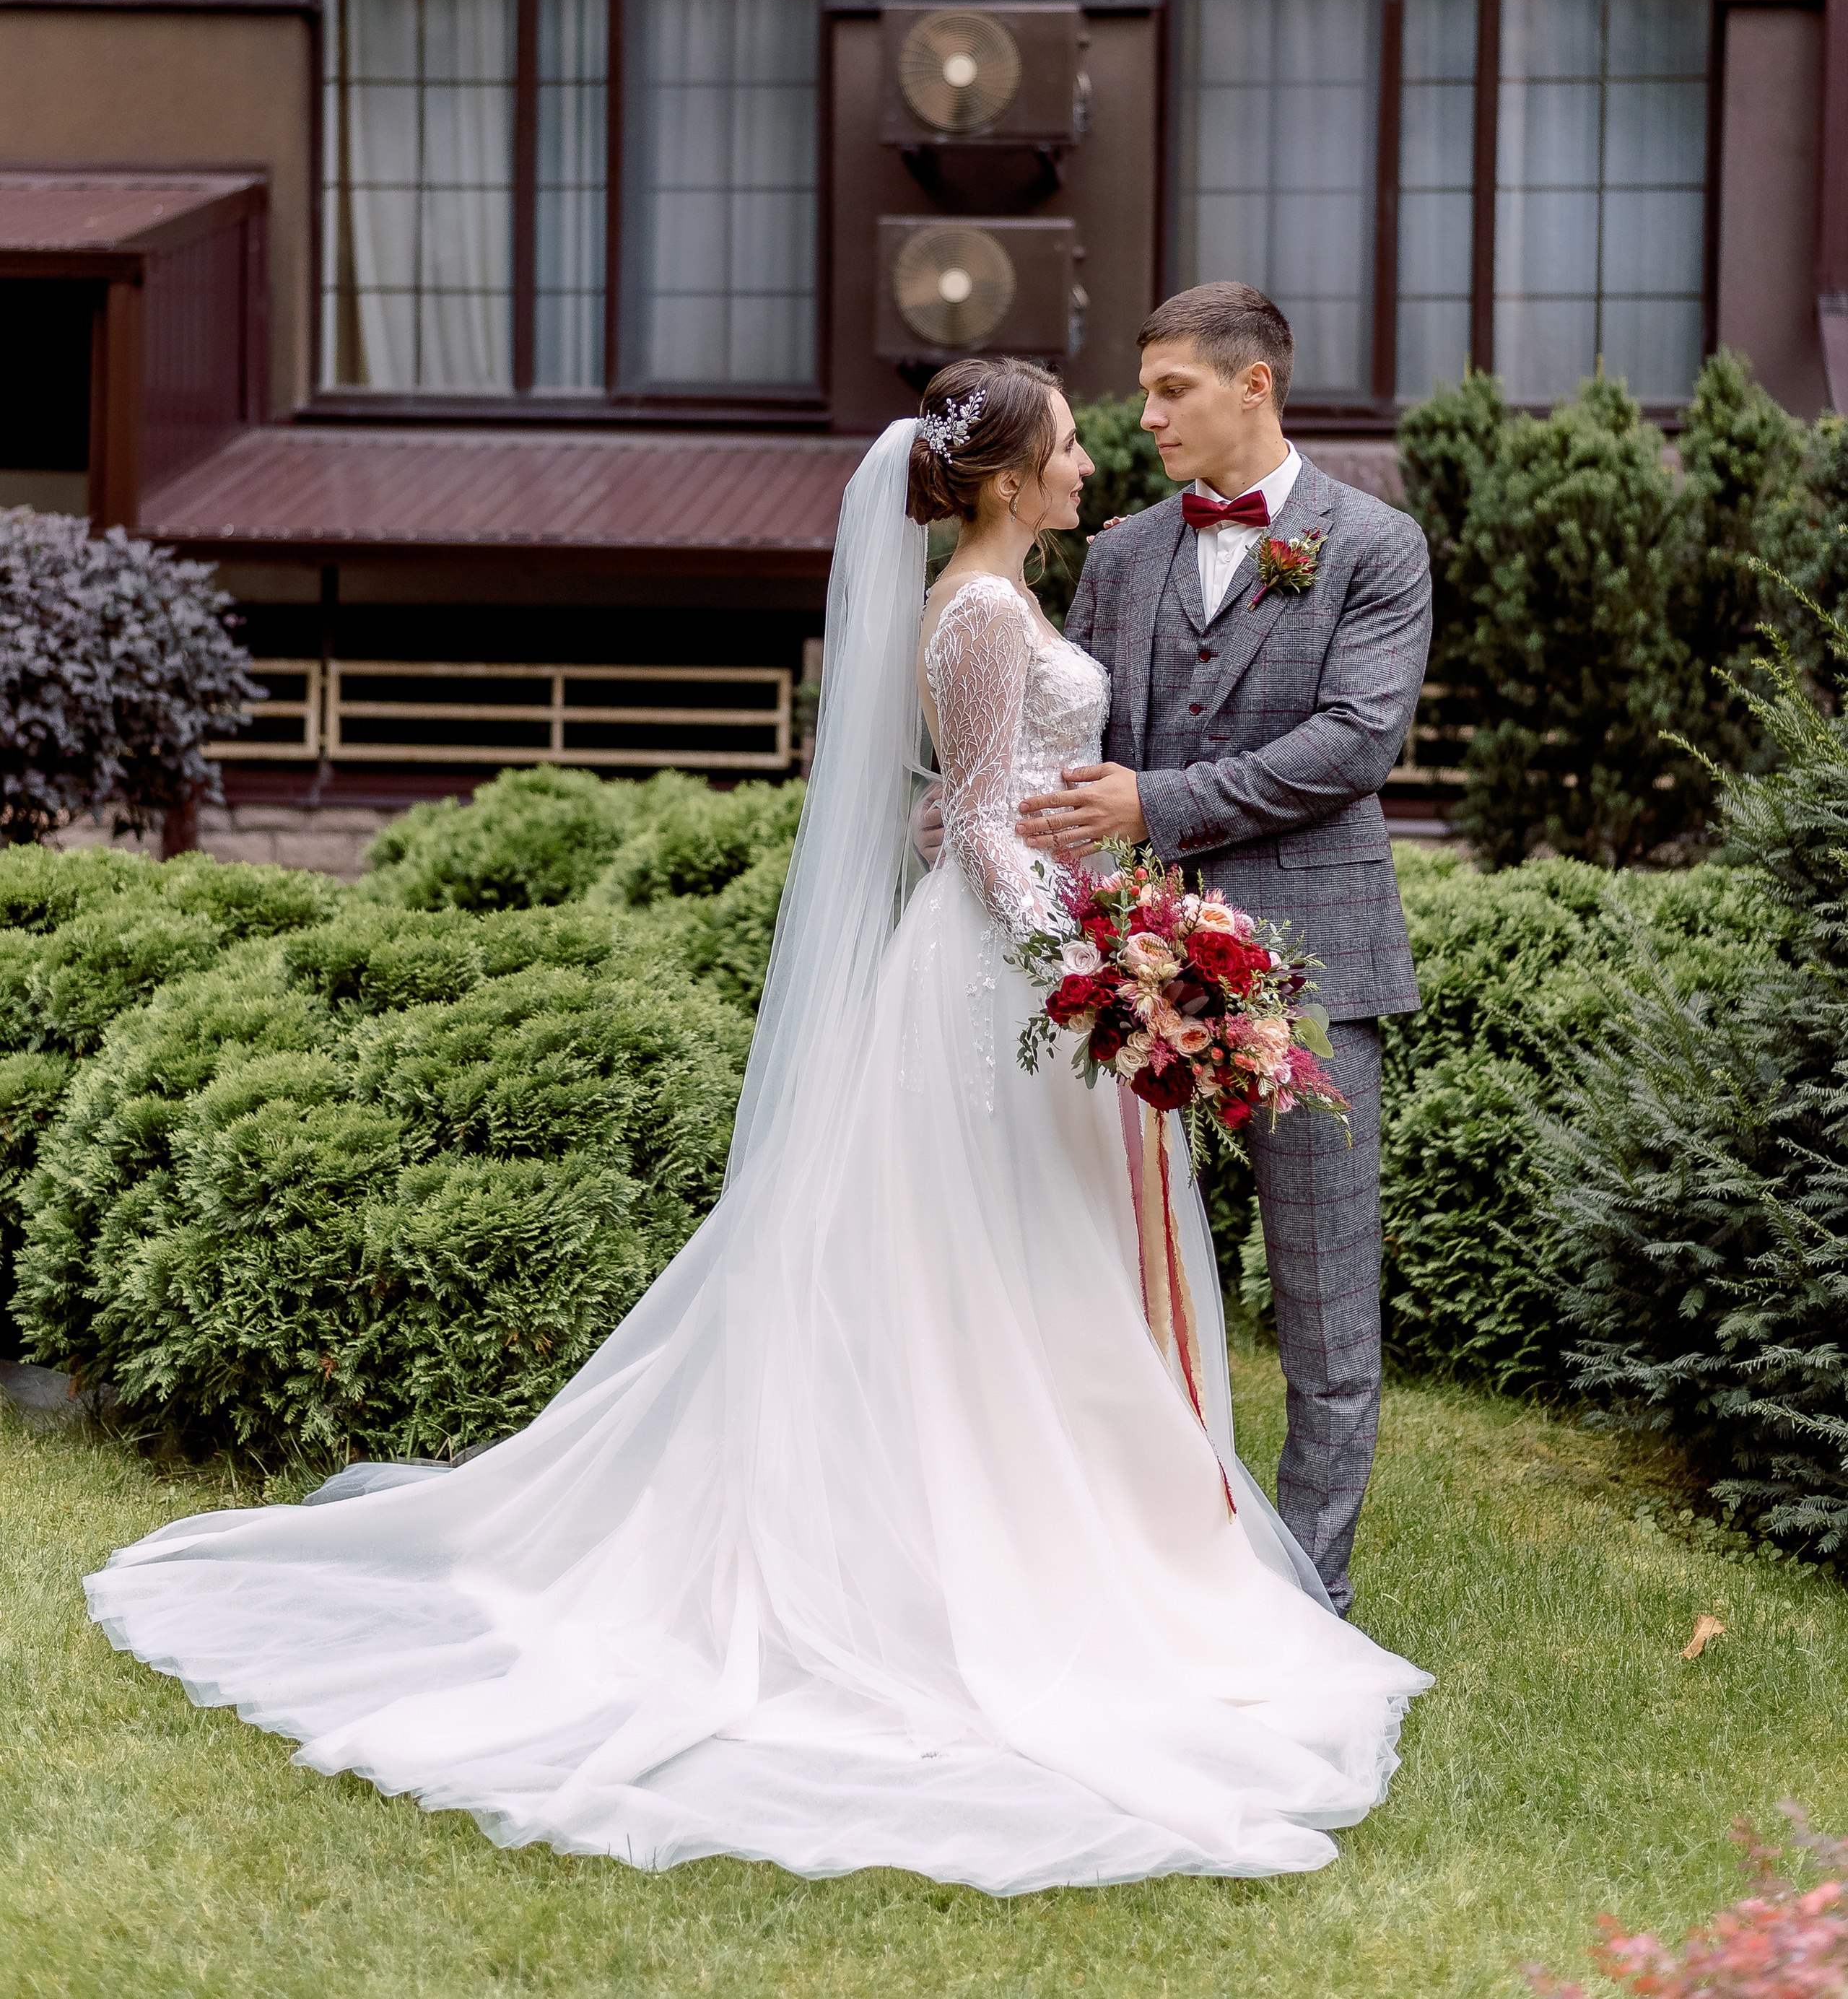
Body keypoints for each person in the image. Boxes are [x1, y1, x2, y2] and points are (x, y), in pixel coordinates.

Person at [84, 357, 1427, 1896]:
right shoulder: (985, 610)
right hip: (1010, 983)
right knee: (980, 1281)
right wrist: (1098, 963)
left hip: (1030, 976)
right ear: (1004, 483)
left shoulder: (1008, 596)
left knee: (1025, 1277)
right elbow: (988, 832)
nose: (1090, 462)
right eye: (1067, 444)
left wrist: (1071, 920)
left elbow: (957, 803)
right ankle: (998, 1563)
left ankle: (1085, 1535)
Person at [1016, 284, 1432, 1618]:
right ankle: (1154, 1569)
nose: (1143, 419)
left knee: (1323, 1294)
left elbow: (1357, 743)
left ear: (1255, 385)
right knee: (1130, 1282)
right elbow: (1069, 736)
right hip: (1131, 977)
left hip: (1313, 968)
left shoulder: (1374, 543)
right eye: (1141, 393)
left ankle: (1309, 1596)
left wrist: (1163, 802)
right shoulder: (1126, 552)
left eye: (1172, 390)